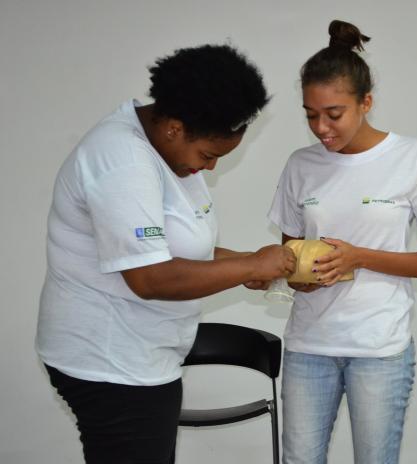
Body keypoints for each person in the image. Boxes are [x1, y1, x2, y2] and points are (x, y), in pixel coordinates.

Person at [36, 44, 296, 464]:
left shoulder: (167, 151)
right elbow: (150, 277)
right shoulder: (122, 160)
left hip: (143, 359)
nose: (210, 168)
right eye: (208, 155)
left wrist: (243, 263)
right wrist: (250, 264)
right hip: (111, 363)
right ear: (175, 128)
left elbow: (176, 247)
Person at [268, 20, 417, 464]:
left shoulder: (413, 156)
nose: (321, 127)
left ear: (366, 102)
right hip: (309, 346)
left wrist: (358, 258)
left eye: (333, 114)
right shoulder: (300, 164)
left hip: (380, 348)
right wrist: (299, 277)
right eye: (310, 115)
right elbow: (290, 257)